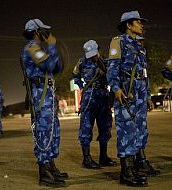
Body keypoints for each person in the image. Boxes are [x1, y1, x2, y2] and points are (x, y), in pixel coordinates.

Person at [107, 10, 160, 187]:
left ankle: (138, 165)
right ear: (128, 25)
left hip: (139, 96)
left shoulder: (139, 46)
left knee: (140, 131)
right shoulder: (118, 42)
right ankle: (126, 172)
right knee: (126, 132)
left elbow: (144, 74)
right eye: (138, 22)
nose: (142, 25)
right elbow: (112, 68)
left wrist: (147, 96)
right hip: (126, 96)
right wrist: (115, 89)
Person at [21, 18, 67, 187]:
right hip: (40, 95)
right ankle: (44, 172)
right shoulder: (32, 48)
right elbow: (51, 65)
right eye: (43, 31)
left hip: (47, 93)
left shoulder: (39, 48)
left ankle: (51, 166)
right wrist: (52, 45)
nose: (47, 34)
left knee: (53, 131)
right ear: (36, 31)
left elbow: (56, 67)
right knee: (44, 131)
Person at [72, 40, 115, 169]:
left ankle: (103, 157)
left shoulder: (106, 62)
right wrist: (81, 87)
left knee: (105, 126)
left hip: (103, 96)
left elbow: (111, 76)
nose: (92, 57)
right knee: (86, 127)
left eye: (94, 53)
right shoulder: (81, 62)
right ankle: (87, 159)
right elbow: (75, 76)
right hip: (89, 97)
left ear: (99, 50)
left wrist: (100, 63)